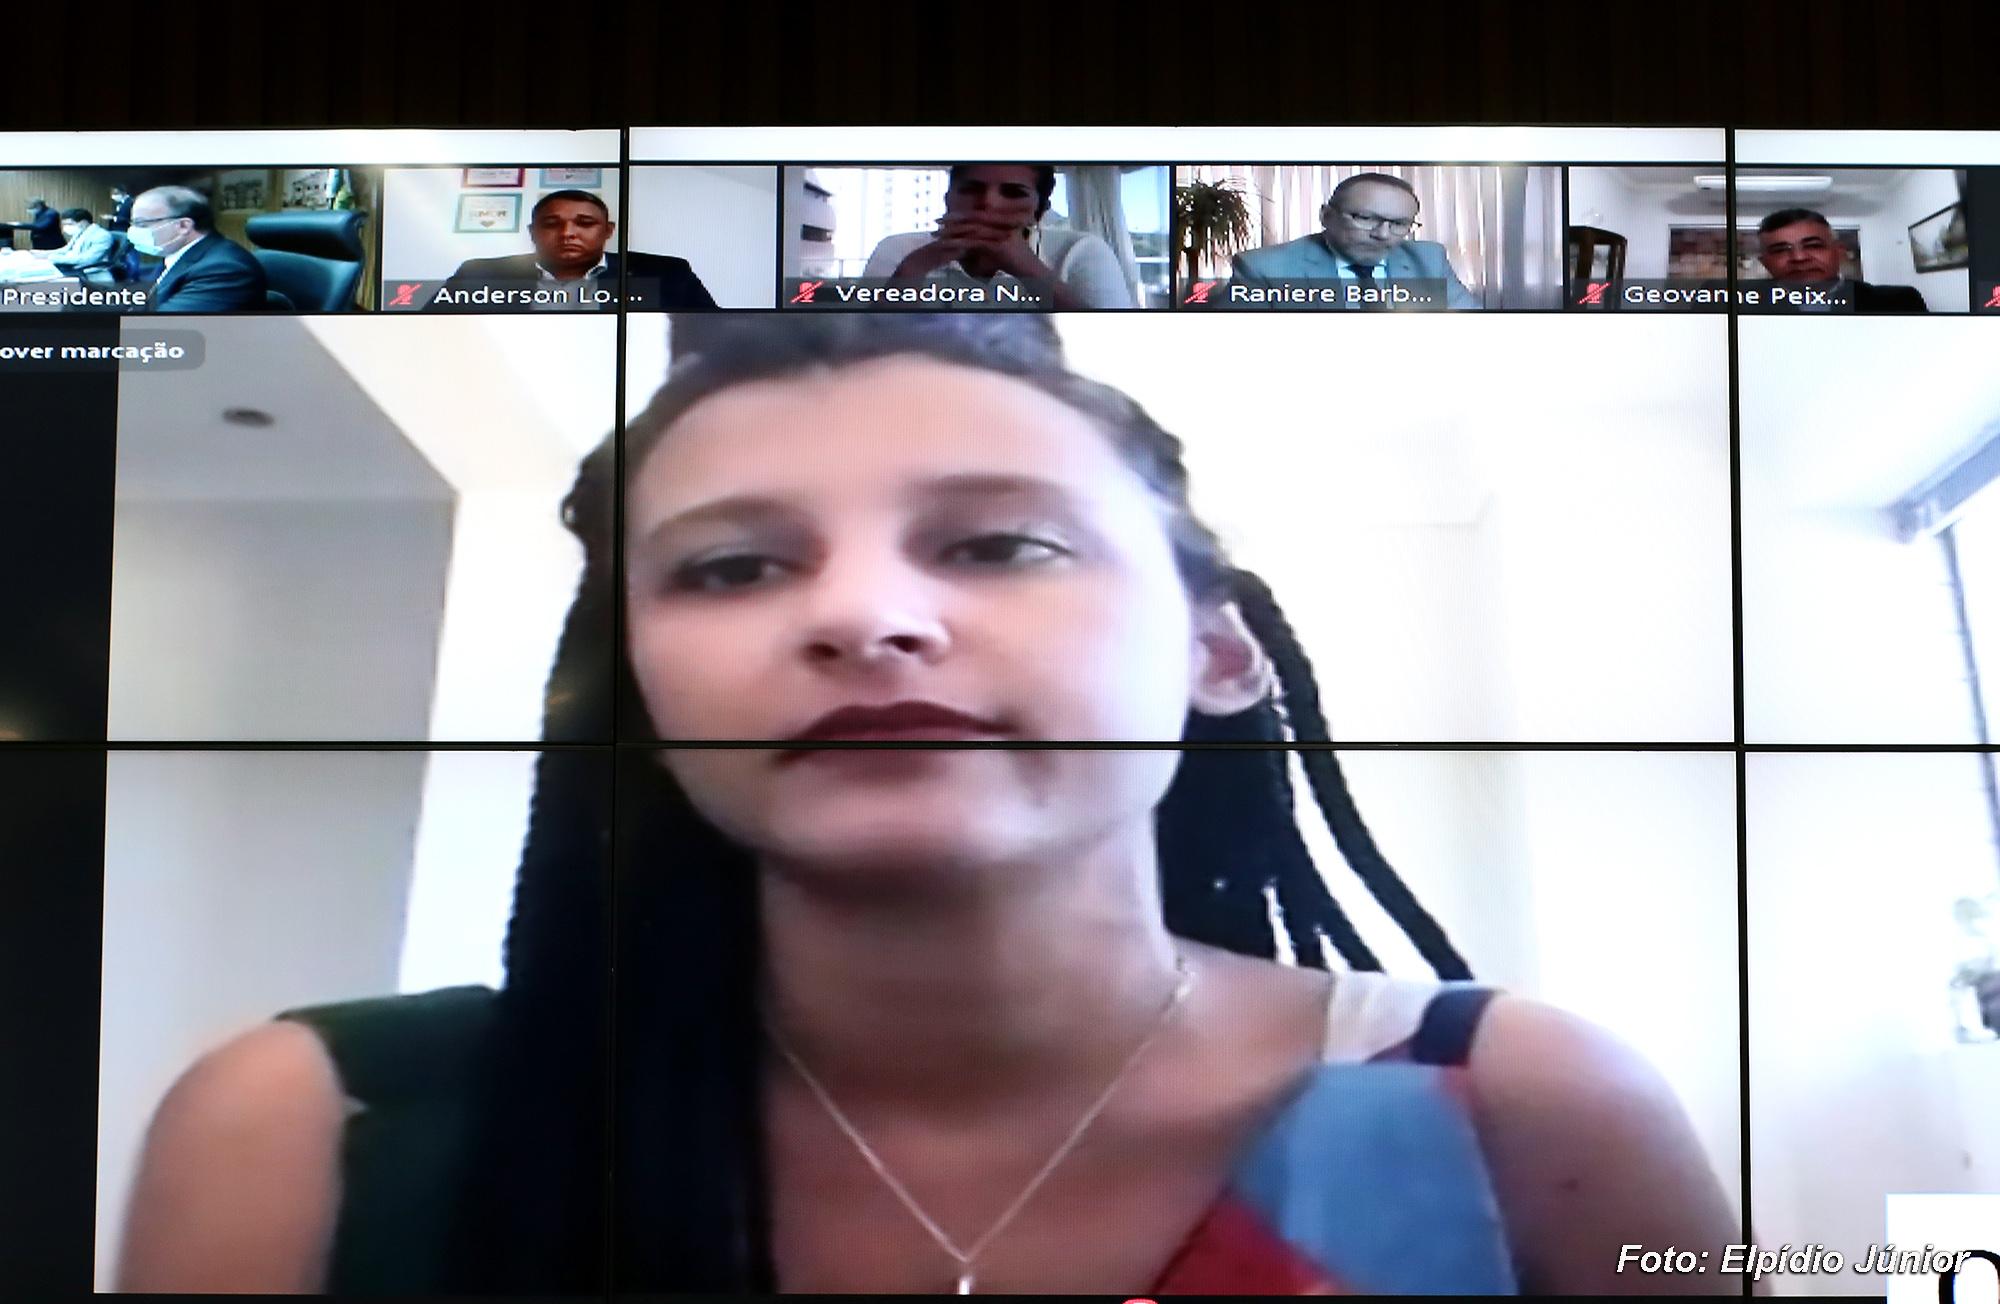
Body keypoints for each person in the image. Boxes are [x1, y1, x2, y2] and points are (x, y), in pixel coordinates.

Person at [117, 315, 1740, 1296]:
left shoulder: (1519, 1105)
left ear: (1218, 651)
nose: (864, 617)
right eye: (733, 567)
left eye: (996, 543)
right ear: (644, 687)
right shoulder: (315, 1128)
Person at [861, 165, 1136, 309]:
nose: (987, 203)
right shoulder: (898, 248)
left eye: (1014, 193)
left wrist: (1029, 269)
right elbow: (864, 342)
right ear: (948, 200)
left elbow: (1119, 343)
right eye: (971, 189)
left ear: (1039, 212)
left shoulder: (1083, 250)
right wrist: (914, 268)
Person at [1230, 173, 1479, 309]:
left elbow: (1472, 327)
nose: (1383, 234)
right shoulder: (1262, 267)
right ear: (1326, 216)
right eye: (1365, 218)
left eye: (1399, 224)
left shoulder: (1429, 258)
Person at [435, 189, 716, 309]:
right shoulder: (478, 273)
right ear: (533, 233)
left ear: (608, 231)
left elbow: (710, 331)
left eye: (584, 223)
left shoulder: (667, 273)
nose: (567, 233)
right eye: (551, 224)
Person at [1754, 207, 1928, 313]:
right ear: (1765, 263)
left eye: (1813, 245)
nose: (1799, 258)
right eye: (1781, 250)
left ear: (1839, 252)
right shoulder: (1746, 305)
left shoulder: (1899, 301)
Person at [128, 185, 270, 313]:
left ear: (184, 226)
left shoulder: (223, 269)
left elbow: (159, 326)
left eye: (141, 224)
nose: (132, 230)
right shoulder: (178, 254)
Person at [34, 208, 114, 277]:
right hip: (73, 268)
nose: (65, 227)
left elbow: (88, 259)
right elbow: (67, 249)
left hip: (90, 273)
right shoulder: (81, 232)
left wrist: (52, 257)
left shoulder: (101, 235)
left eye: (69, 224)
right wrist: (44, 253)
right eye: (64, 224)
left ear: (83, 222)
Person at [0, 197, 65, 250]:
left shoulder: (50, 213)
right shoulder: (40, 213)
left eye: (30, 207)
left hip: (51, 244)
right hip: (42, 243)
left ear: (38, 206)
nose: (29, 209)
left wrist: (19, 225)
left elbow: (39, 226)